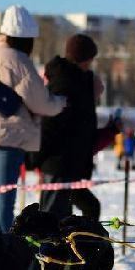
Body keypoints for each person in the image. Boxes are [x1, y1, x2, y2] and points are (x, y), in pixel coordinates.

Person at [0, 4, 66, 232]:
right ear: (26, 38)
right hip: (7, 136)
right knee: (4, 199)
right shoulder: (17, 60)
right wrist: (60, 103)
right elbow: (41, 101)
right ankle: (1, 250)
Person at [38, 33, 105, 220]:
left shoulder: (78, 80)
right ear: (83, 58)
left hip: (70, 162)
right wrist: (37, 156)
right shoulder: (64, 82)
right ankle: (42, 249)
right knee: (50, 218)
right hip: (58, 162)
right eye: (90, 59)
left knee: (67, 216)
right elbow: (51, 122)